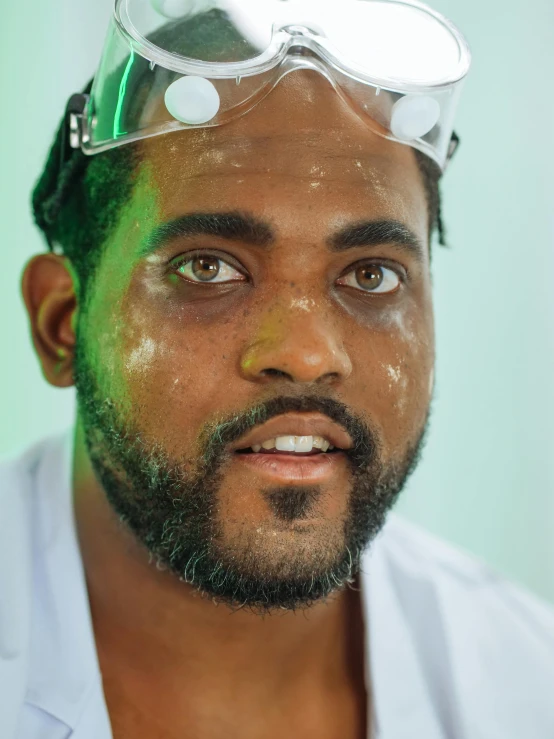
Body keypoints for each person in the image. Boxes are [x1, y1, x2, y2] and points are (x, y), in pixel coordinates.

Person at [2, 1, 553, 737]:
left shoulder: (524, 681)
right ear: (62, 324)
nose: (306, 352)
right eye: (208, 267)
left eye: (372, 276)